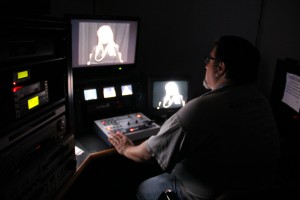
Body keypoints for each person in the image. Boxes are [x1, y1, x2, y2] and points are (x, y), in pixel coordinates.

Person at [108, 35, 281, 200]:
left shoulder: (200, 108)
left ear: (220, 67)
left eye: (209, 60)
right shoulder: (261, 100)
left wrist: (125, 149)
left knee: (144, 188)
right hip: (250, 192)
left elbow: (146, 155)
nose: (206, 66)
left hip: (198, 194)